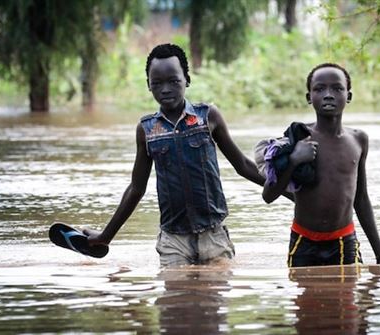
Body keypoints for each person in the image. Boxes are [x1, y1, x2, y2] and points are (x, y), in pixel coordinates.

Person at [83, 43, 268, 267]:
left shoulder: (207, 117)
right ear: (148, 86)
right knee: (175, 297)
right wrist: (105, 236)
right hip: (173, 240)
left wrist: (293, 195)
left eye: (173, 81)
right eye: (157, 83)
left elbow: (243, 165)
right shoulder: (147, 130)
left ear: (187, 80)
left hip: (213, 235)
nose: (166, 89)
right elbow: (136, 189)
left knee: (214, 296)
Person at [262, 63, 380, 267]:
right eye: (319, 89)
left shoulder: (358, 140)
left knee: (349, 297)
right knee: (305, 298)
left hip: (344, 241)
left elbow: (361, 199)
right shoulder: (297, 138)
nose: (328, 95)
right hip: (303, 242)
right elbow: (268, 195)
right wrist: (294, 159)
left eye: (337, 88)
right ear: (308, 97)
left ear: (348, 96)